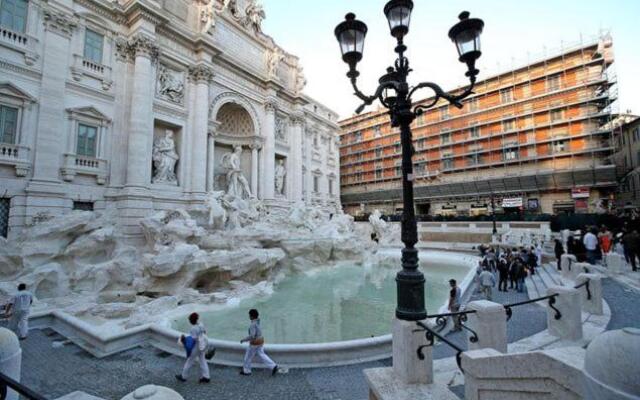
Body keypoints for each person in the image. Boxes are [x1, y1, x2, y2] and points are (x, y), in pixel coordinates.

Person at [240, 309, 278, 376]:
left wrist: (243, 340)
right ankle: (273, 366)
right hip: (261, 341)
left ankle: (246, 371)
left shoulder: (252, 324)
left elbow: (252, 336)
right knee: (262, 354)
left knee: (248, 356)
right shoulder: (258, 322)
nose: (249, 316)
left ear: (251, 316)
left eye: (249, 315)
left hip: (255, 343)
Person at [176, 313, 210, 383]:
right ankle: (206, 377)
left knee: (189, 361)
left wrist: (184, 340)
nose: (189, 321)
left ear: (192, 320)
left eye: (189, 320)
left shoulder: (193, 329)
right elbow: (204, 332)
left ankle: (183, 377)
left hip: (196, 346)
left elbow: (193, 340)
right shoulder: (201, 324)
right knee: (202, 360)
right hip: (202, 345)